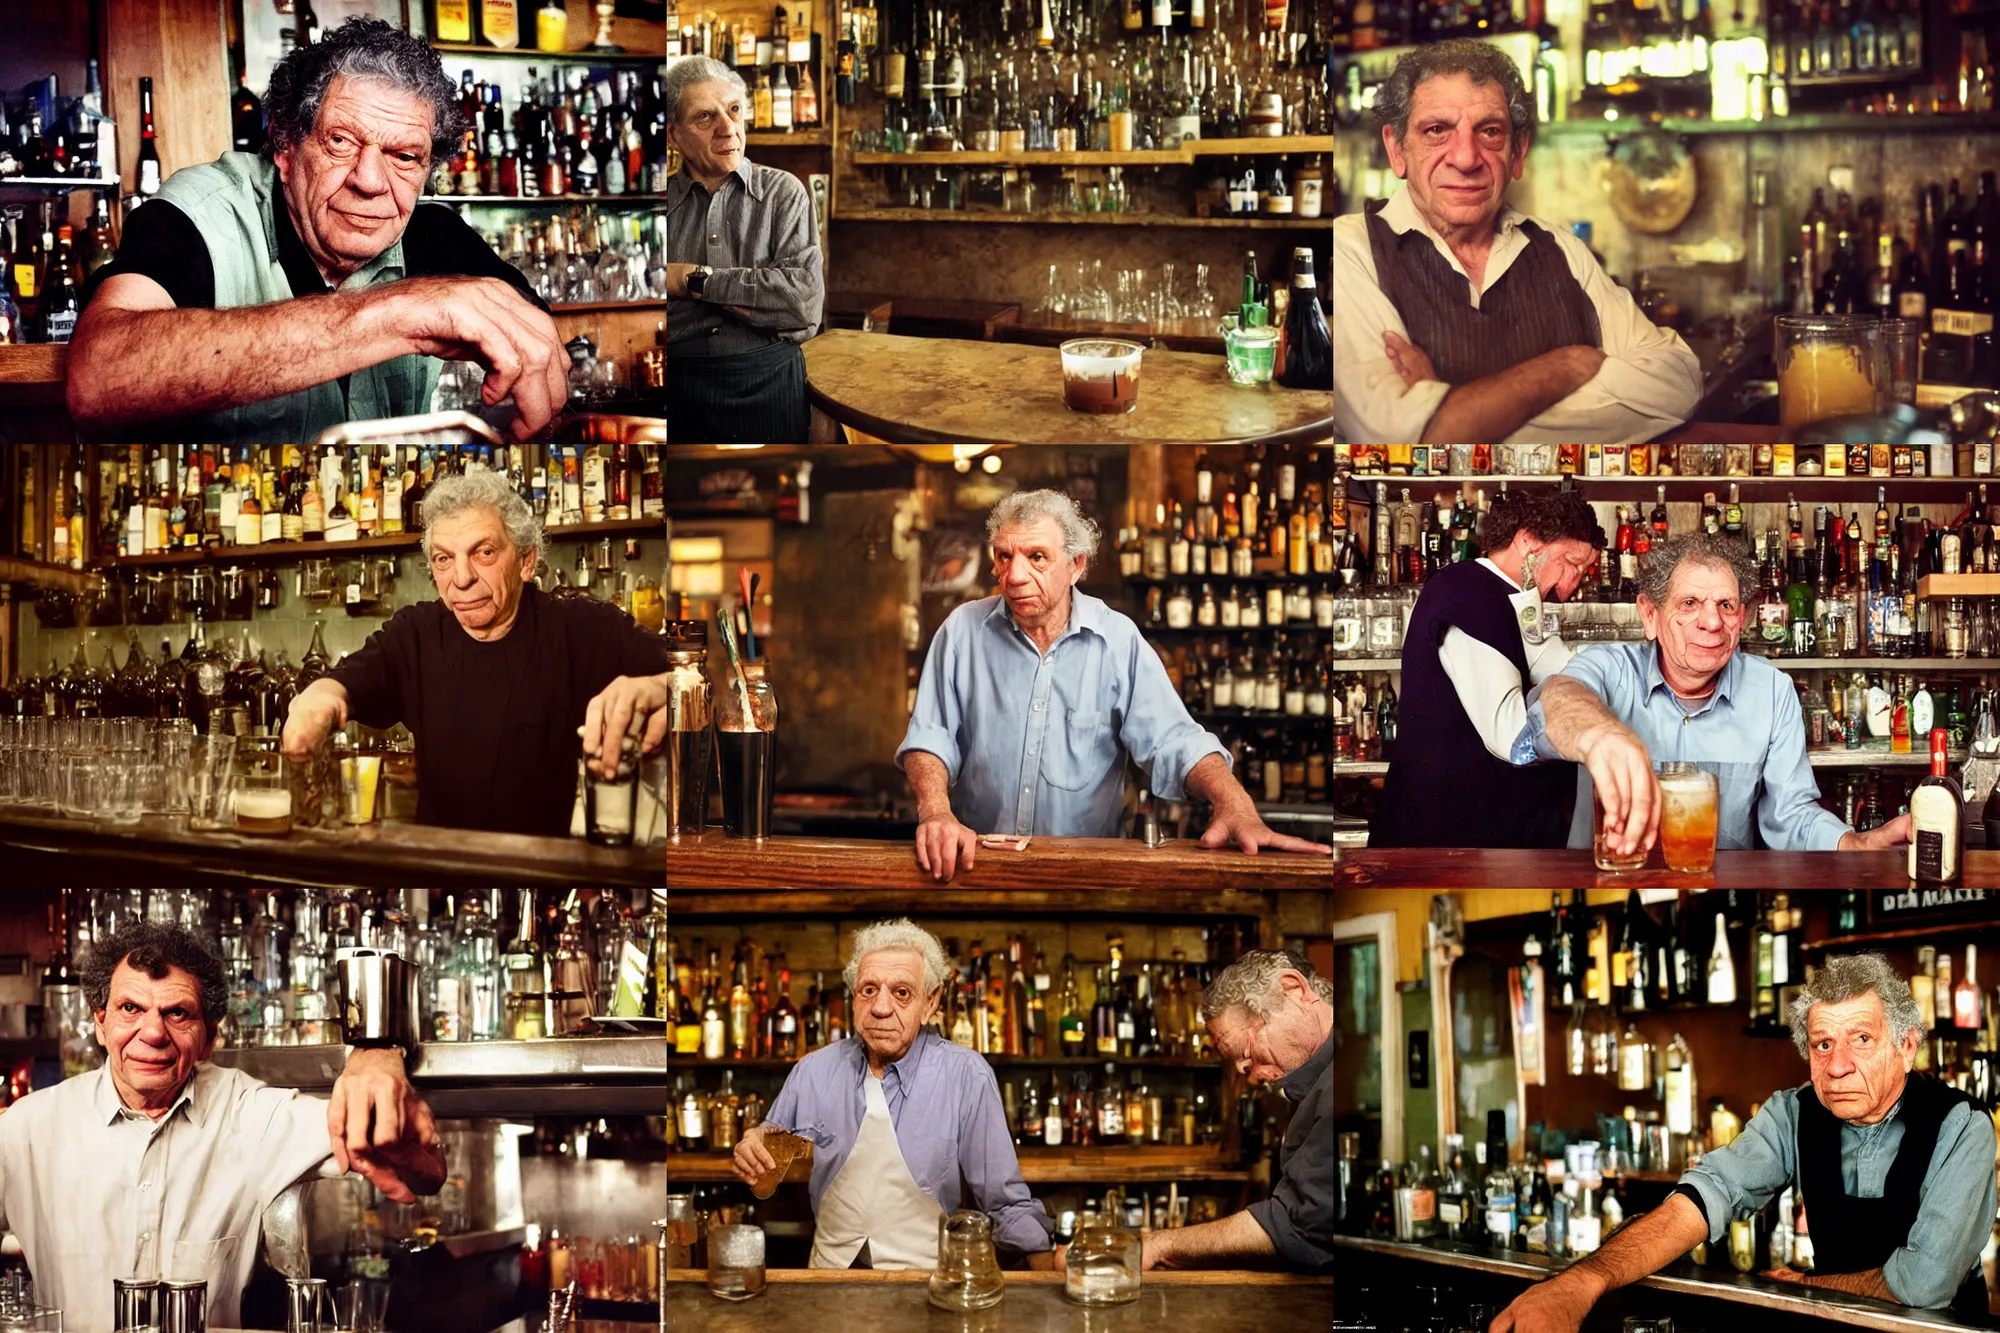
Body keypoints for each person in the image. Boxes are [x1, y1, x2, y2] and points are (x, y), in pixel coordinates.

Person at [67, 19, 569, 444]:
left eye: (404, 157)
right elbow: (98, 378)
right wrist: (401, 313)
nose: (370, 182)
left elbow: (538, 346)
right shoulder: (204, 212)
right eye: (341, 141)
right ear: (285, 147)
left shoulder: (435, 235)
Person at [1493, 953, 1997, 1330]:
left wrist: (1804, 1288)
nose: (1838, 1065)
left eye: (1861, 1039)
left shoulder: (1962, 1126)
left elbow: (1923, 1286)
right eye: (1823, 1044)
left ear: (1907, 1046)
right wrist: (1582, 1281)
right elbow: (1707, 1194)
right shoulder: (1793, 1112)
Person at [0, 923, 445, 1331]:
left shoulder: (250, 1116)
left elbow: (422, 1167)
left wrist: (377, 1051)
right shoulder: (28, 1130)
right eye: (130, 1008)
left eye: (178, 1014)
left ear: (210, 1038)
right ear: (101, 1023)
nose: (152, 1032)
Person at [895, 489, 1334, 881]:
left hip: (1086, 875)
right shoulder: (961, 631)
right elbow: (930, 737)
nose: (1014, 576)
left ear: (1076, 565)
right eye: (1004, 556)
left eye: (1037, 557)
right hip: (975, 870)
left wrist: (1233, 802)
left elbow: (1174, 739)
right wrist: (935, 811)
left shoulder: (1117, 639)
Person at [1332, 39, 1702, 446]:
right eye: (1437, 130)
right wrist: (1565, 366)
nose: (1466, 158)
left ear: (1518, 151)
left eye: (1489, 131)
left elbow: (1679, 379)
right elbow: (1390, 441)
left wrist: (1460, 419)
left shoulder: (1561, 250)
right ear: (1397, 148)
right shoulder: (1352, 249)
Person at [279, 468, 671, 834]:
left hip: (544, 873)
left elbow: (691, 676)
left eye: (483, 553)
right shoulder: (415, 633)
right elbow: (342, 684)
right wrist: (317, 698)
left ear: (526, 560)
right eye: (444, 559)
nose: (461, 579)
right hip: (440, 874)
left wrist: (660, 688)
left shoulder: (582, 627)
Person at [1513, 530, 1911, 858]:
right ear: (1650, 615)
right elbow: (1558, 698)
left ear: (1741, 618)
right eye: (1689, 603)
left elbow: (1790, 816)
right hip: (1609, 885)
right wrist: (1599, 736)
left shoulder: (1772, 690)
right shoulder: (1610, 668)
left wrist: (1856, 843)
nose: (1711, 621)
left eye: (1726, 605)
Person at [730, 919, 1054, 1269]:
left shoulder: (966, 1076)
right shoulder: (814, 1071)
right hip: (829, 1281)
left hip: (929, 1282)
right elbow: (769, 1143)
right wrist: (754, 1141)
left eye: (901, 993)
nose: (881, 1008)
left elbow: (1005, 1203)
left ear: (931, 1002)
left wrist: (1047, 1275)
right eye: (868, 990)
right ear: (854, 996)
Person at [1056, 949, 1332, 1274]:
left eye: (1247, 1054)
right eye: (1242, 1067)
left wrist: (1159, 1245)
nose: (1254, 1076)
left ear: (1293, 989)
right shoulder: (1312, 1083)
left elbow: (1296, 1228)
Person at [1371, 485, 1604, 848]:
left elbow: (1555, 662)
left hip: (1486, 832)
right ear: (1528, 541)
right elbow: (1511, 736)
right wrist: (1592, 734)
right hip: (1444, 842)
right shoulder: (1465, 593)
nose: (1575, 582)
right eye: (1571, 563)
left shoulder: (1511, 596)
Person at [665, 55, 825, 444]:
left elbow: (802, 305)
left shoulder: (783, 193)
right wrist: (757, 296)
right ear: (672, 136)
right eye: (705, 117)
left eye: (734, 110)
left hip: (770, 386)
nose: (728, 128)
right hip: (680, 392)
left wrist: (690, 280)